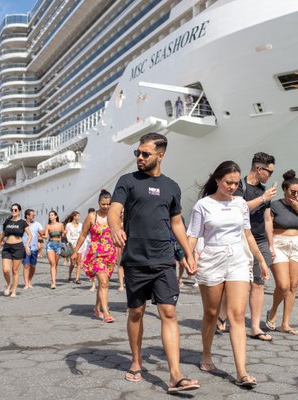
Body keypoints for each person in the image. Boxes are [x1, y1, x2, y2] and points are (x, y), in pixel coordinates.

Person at [108, 132, 200, 394]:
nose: (139, 157)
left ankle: (175, 375)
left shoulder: (172, 186)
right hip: (135, 259)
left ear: (160, 155)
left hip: (163, 259)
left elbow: (176, 222)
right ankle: (136, 361)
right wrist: (115, 227)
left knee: (168, 312)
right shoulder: (127, 181)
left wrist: (188, 253)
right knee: (136, 312)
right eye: (137, 153)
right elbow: (115, 209)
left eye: (145, 154)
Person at [187, 161, 268, 387]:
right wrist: (189, 257)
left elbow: (248, 235)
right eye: (228, 182)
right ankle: (206, 353)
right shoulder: (202, 205)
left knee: (237, 315)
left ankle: (241, 371)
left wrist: (261, 260)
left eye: (235, 182)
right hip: (211, 259)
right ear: (217, 180)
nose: (233, 186)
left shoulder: (241, 204)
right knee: (212, 313)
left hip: (237, 259)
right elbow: (193, 235)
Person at [266, 170, 298, 335]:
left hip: (297, 245)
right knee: (283, 285)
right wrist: (270, 246)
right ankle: (272, 312)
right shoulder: (274, 205)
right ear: (284, 190)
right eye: (292, 192)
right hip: (279, 244)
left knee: (293, 286)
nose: (295, 194)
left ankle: (285, 323)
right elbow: (268, 227)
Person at [241, 152, 277, 341]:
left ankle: (255, 327)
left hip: (261, 240)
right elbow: (240, 207)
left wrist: (271, 245)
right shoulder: (239, 185)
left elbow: (267, 219)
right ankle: (221, 317)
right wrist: (263, 198)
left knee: (258, 283)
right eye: (269, 172)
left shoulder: (265, 191)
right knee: (235, 283)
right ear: (259, 169)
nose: (270, 175)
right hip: (241, 239)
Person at [73, 190, 117, 322]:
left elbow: (120, 231)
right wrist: (75, 251)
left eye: (108, 204)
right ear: (98, 203)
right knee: (103, 282)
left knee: (103, 283)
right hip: (96, 254)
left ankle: (97, 308)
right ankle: (106, 313)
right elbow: (83, 234)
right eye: (103, 204)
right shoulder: (92, 217)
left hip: (110, 254)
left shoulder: (113, 216)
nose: (106, 206)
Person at [0, 203, 32, 297]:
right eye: (12, 209)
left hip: (18, 247)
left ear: (19, 211)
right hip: (7, 247)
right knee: (5, 270)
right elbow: (3, 234)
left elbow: (30, 235)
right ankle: (9, 284)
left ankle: (14, 291)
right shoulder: (7, 221)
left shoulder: (23, 222)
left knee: (15, 271)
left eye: (15, 210)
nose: (13, 211)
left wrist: (27, 245)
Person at [23, 209, 44, 289]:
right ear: (27, 216)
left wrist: (43, 231)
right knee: (26, 265)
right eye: (32, 215)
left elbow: (42, 231)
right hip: (25, 247)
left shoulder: (37, 224)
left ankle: (29, 280)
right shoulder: (22, 223)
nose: (34, 216)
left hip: (34, 248)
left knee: (33, 266)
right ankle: (26, 283)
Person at [45, 210, 65, 289]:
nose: (51, 216)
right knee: (52, 264)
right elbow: (46, 236)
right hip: (50, 245)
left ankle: (54, 279)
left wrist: (62, 237)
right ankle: (53, 282)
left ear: (56, 216)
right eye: (50, 215)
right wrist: (39, 235)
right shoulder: (48, 226)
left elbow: (63, 233)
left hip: (58, 245)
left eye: (52, 215)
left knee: (55, 264)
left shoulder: (60, 225)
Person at [64, 211, 83, 284]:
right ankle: (70, 275)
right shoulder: (68, 225)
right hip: (71, 244)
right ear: (74, 217)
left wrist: (80, 244)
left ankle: (77, 278)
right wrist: (72, 245)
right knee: (72, 262)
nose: (79, 217)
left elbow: (81, 235)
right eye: (78, 216)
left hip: (79, 244)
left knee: (79, 262)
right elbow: (68, 236)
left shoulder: (81, 225)